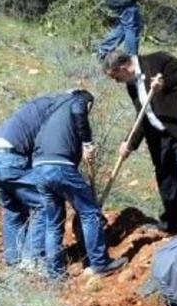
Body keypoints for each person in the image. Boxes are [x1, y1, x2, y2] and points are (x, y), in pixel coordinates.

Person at [104, 51, 177, 234]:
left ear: (122, 68)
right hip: (159, 137)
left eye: (116, 77)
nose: (117, 82)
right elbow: (142, 115)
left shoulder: (157, 60)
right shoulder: (132, 86)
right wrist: (129, 143)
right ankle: (169, 224)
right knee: (166, 181)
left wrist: (165, 83)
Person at [31, 89, 127, 280]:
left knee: (53, 223)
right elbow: (79, 112)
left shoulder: (52, 111)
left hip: (40, 169)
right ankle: (100, 263)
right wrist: (87, 143)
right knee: (90, 212)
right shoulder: (77, 101)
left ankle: (55, 274)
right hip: (60, 166)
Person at [0, 92, 79, 268]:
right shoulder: (59, 111)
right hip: (10, 159)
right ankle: (31, 261)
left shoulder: (42, 104)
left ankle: (14, 261)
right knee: (43, 203)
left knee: (14, 209)